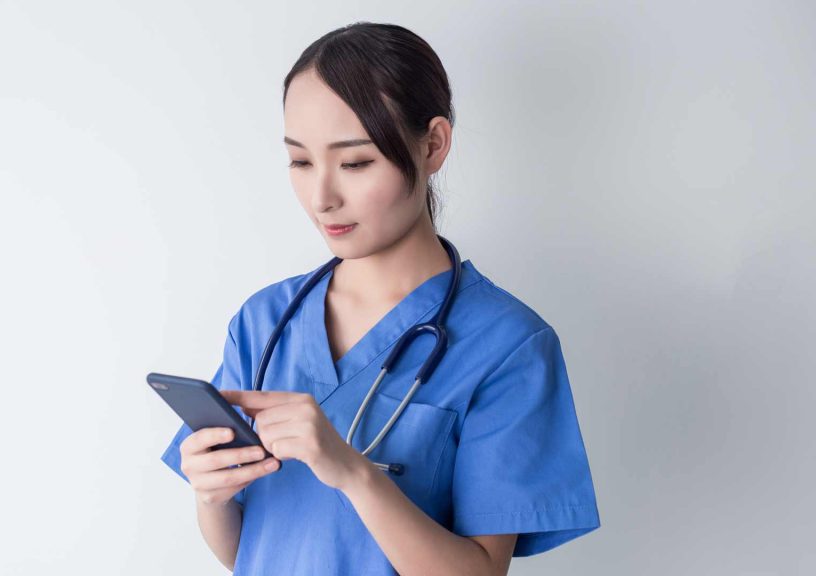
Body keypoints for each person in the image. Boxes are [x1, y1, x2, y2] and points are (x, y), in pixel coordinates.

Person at [159, 21, 601, 575]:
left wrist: (351, 470)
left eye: (355, 162)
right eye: (300, 161)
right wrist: (210, 494)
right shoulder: (264, 323)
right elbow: (248, 553)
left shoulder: (507, 346)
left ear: (434, 145)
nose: (322, 197)